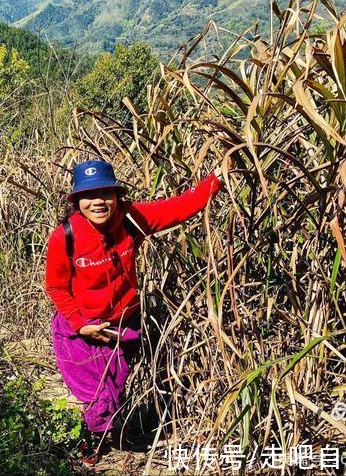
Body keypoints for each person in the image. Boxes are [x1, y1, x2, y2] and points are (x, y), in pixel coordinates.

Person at [44, 159, 225, 464]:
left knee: (113, 393)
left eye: (106, 193)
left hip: (121, 326)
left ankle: (103, 430)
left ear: (116, 196)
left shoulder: (130, 218)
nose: (99, 202)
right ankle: (92, 442)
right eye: (89, 195)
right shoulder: (65, 236)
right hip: (82, 331)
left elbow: (181, 206)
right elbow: (57, 287)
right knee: (97, 398)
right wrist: (80, 324)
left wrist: (216, 179)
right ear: (76, 201)